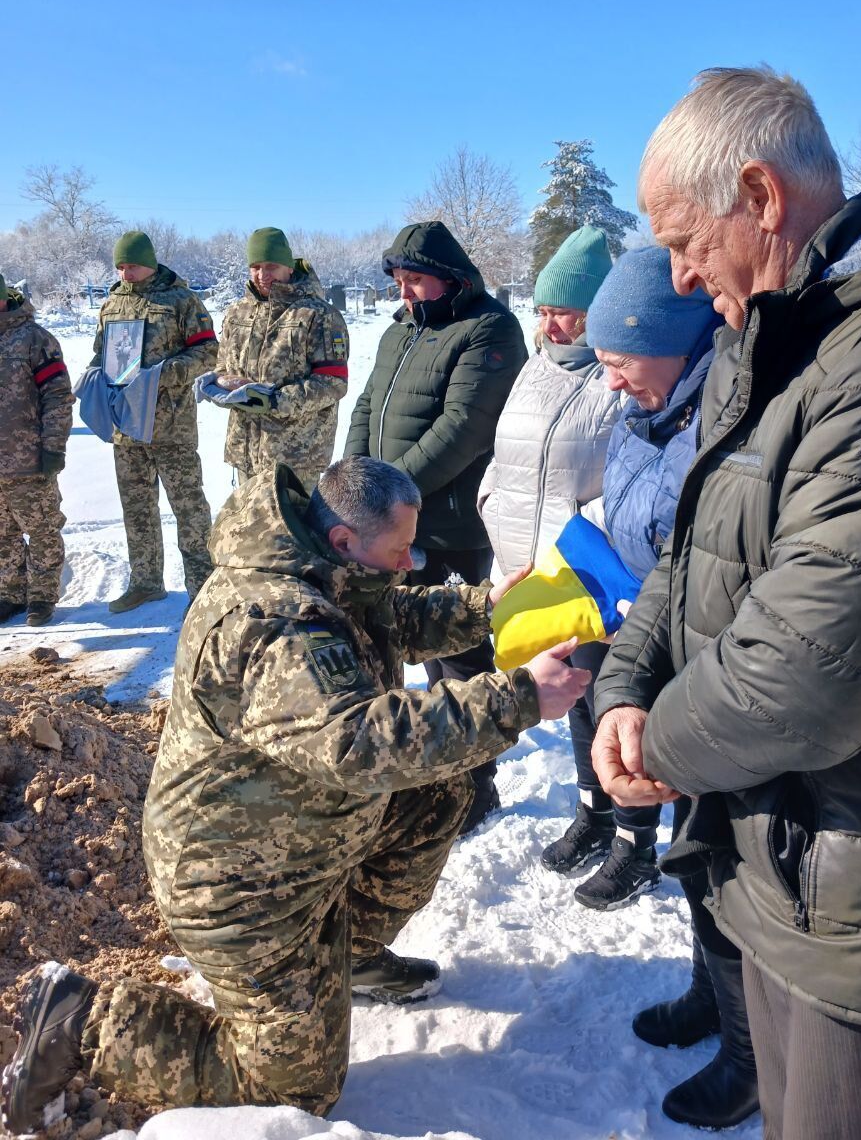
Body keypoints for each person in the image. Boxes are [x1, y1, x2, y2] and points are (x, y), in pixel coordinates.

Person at [2, 457, 590, 1132]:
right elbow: (356, 744)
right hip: (238, 884)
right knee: (294, 1088)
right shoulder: (274, 624)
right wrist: (518, 698)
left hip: (297, 835)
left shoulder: (318, 566)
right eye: (400, 551)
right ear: (344, 541)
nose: (407, 566)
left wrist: (487, 607)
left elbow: (387, 613)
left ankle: (352, 959)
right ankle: (83, 1021)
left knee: (440, 786)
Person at [593, 65, 861, 1140]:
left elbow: (816, 663)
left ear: (758, 196)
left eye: (682, 238)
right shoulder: (773, 339)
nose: (677, 271)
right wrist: (625, 683)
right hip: (782, 873)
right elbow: (687, 546)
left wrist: (654, 741)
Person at [543, 245, 721, 915]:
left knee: (702, 827)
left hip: (691, 641)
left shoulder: (711, 424)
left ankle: (718, 991)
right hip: (635, 610)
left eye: (618, 362)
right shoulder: (647, 409)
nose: (610, 382)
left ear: (672, 342)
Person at [345, 221, 527, 830]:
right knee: (416, 640)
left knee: (463, 645)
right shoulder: (401, 332)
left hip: (446, 520)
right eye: (398, 281)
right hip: (389, 518)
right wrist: (349, 481)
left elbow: (463, 428)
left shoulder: (489, 329)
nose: (404, 293)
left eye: (414, 280)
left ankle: (478, 779)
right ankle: (439, 759)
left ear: (450, 277)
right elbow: (368, 406)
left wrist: (385, 499)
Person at [478, 224, 621, 575]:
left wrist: (583, 529)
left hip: (577, 574)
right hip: (510, 566)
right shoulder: (533, 367)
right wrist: (490, 500)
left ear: (595, 310)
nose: (548, 326)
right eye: (542, 313)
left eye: (559, 312)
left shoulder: (620, 377)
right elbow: (505, 448)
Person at [92, 231, 219, 612]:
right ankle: (146, 582)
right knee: (137, 510)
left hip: (171, 427)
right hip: (127, 428)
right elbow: (101, 352)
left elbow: (209, 352)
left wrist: (163, 373)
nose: (126, 273)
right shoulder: (111, 304)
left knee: (190, 510)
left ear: (150, 262)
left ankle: (204, 590)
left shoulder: (182, 301)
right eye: (120, 266)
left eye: (131, 264)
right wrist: (95, 376)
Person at [208, 227, 349, 486]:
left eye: (271, 266)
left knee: (292, 528)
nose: (262, 275)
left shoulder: (319, 315)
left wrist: (274, 400)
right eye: (256, 267)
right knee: (248, 527)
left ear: (288, 268)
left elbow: (333, 382)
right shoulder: (237, 314)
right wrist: (221, 385)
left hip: (295, 460)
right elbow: (222, 366)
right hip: (245, 454)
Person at [0, 273, 73, 627]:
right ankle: (10, 594)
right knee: (2, 533)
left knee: (43, 529)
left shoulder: (34, 339)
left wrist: (53, 447)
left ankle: (42, 597)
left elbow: (58, 395)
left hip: (29, 460)